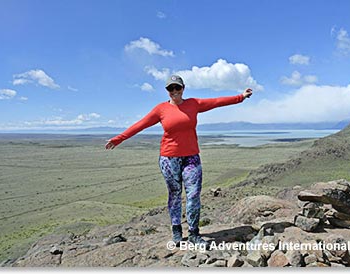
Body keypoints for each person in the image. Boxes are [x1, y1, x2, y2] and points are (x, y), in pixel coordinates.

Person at [105, 75, 252, 247]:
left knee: (194, 194)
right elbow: (141, 124)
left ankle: (194, 233)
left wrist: (240, 97)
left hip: (191, 157)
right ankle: (176, 230)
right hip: (169, 159)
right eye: (170, 88)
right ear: (167, 91)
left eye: (177, 87)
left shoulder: (193, 104)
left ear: (183, 88)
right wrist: (119, 138)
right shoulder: (161, 109)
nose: (174, 91)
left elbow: (217, 101)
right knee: (175, 195)